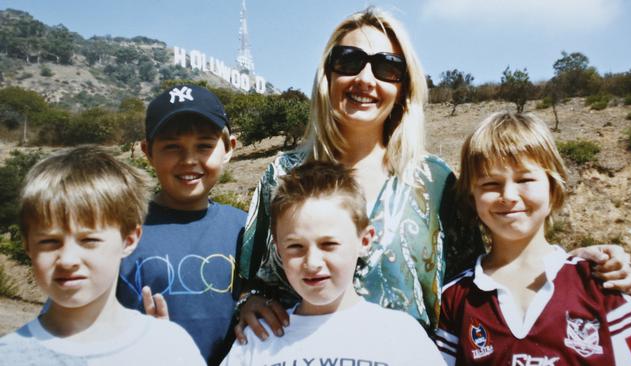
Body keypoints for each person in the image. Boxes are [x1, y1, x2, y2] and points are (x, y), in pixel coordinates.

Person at [235, 7, 631, 344]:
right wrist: (249, 302)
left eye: (386, 68)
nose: (365, 79)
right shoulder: (283, 175)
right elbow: (252, 279)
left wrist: (582, 265)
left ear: (405, 87)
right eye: (349, 62)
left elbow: (483, 276)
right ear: (328, 75)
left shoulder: (436, 181)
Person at [433, 112, 631, 365]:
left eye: (524, 179)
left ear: (553, 190)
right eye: (491, 184)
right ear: (472, 198)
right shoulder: (455, 298)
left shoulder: (601, 283)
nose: (509, 195)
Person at [221, 161, 445, 365]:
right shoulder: (257, 341)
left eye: (328, 244)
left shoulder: (402, 336)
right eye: (296, 247)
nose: (313, 263)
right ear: (278, 248)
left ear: (364, 240)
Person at [0, 146, 205, 365]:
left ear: (129, 240)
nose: (68, 260)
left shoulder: (169, 348)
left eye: (89, 241)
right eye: (49, 242)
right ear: (28, 245)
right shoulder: (9, 356)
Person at [116, 84, 247, 364]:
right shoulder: (117, 232)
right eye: (172, 147)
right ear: (147, 151)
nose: (188, 160)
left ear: (229, 148)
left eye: (204, 146)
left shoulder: (248, 231)